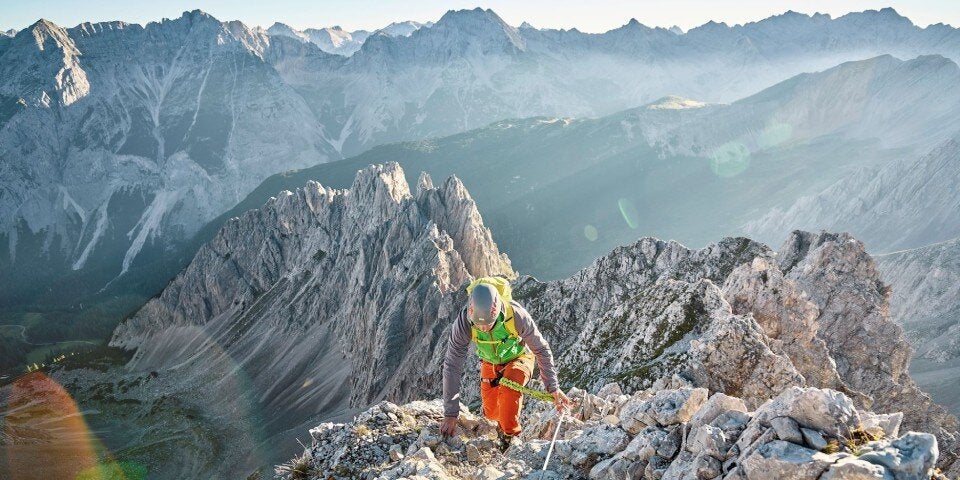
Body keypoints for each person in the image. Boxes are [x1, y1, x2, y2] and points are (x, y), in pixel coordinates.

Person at [439, 280, 571, 443]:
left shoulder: (516, 315)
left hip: (519, 357)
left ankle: (511, 440)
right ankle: (497, 434)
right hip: (489, 362)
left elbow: (541, 349)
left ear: (497, 313)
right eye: (478, 325)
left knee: (509, 389)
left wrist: (554, 388)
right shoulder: (464, 322)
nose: (483, 329)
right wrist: (450, 414)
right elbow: (452, 365)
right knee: (492, 415)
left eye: (488, 324)